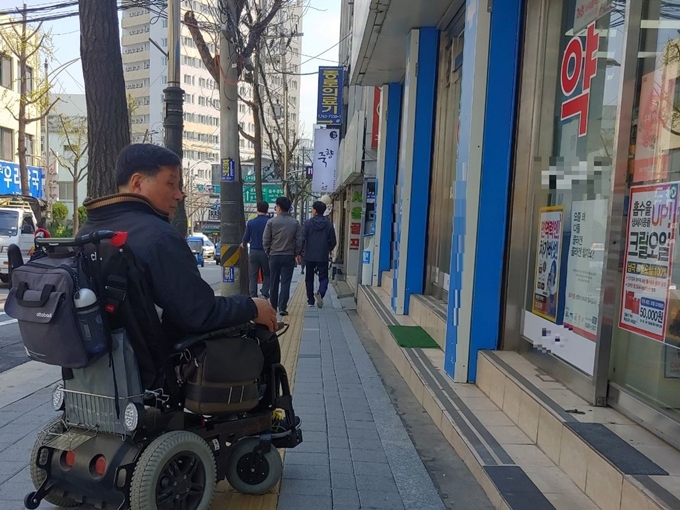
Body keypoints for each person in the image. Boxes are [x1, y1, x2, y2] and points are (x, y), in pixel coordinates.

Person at [78, 144, 294, 426]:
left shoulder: (87, 232)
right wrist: (253, 306)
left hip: (103, 361)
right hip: (155, 367)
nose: (179, 195)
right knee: (263, 335)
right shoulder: (158, 236)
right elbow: (199, 313)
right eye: (171, 184)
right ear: (138, 183)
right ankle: (263, 421)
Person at [263, 196, 303, 317]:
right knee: (286, 282)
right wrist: (296, 252)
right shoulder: (295, 223)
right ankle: (283, 307)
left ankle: (273, 307)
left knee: (274, 281)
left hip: (274, 255)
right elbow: (299, 240)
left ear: (278, 207)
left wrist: (268, 251)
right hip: (288, 256)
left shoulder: (271, 222)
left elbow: (265, 239)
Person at [301, 201, 336, 308]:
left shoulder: (307, 223)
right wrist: (327, 249)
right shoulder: (328, 224)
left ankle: (310, 301)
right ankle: (321, 292)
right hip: (322, 255)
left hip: (309, 255)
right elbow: (333, 241)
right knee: (324, 276)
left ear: (315, 210)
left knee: (309, 278)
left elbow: (302, 239)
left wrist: (301, 252)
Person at [241, 201, 271, 299]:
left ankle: (253, 294)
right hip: (266, 252)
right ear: (267, 210)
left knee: (253, 275)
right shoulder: (270, 222)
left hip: (254, 251)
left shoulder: (251, 222)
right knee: (267, 273)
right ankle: (265, 292)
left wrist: (243, 244)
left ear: (257, 209)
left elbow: (246, 237)